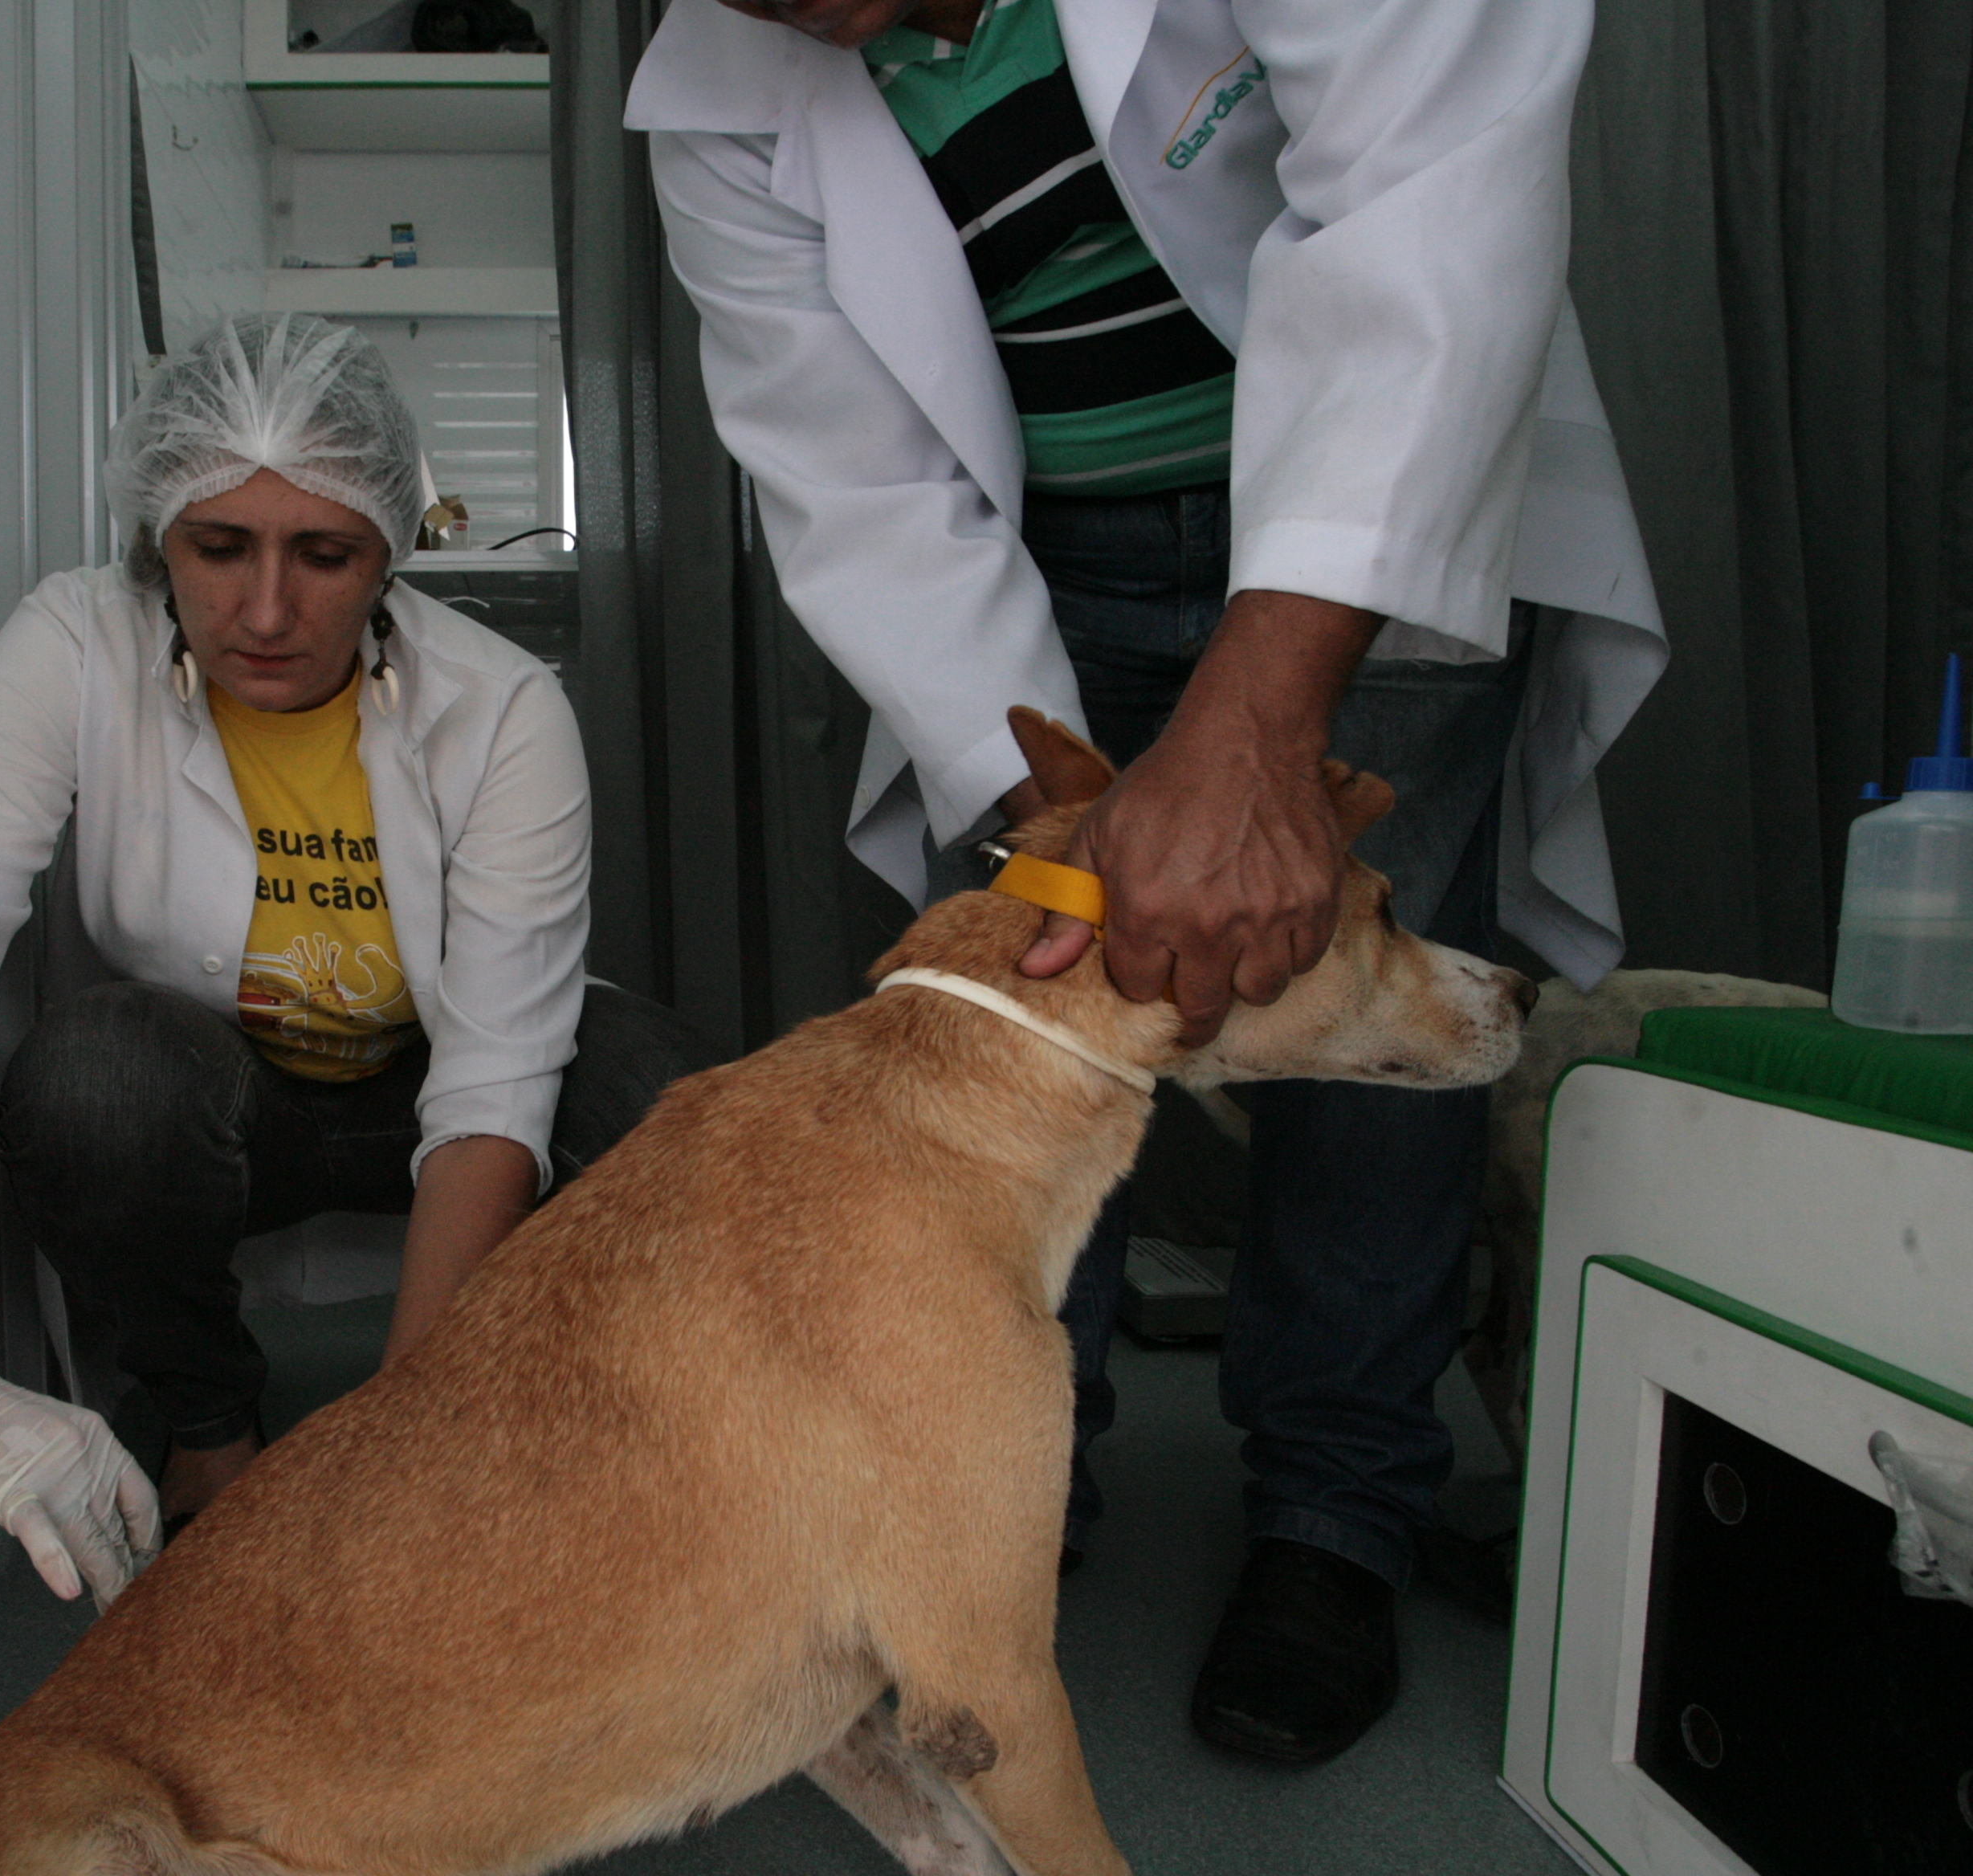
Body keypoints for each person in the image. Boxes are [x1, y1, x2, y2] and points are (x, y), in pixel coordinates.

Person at [626, 0, 1669, 1760]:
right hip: (1052, 558)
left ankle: (1335, 1520)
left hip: (1371, 510)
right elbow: (867, 496)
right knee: (1044, 1017)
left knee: (1368, 1041)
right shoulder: (719, 103)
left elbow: (1432, 173)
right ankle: (988, 1500)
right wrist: (1075, 828)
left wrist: (1266, 717)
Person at [0, 314, 706, 1605]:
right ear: (155, 535)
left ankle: (543, 1454)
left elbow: (497, 1081)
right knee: (92, 1080)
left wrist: (395, 1458)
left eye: (327, 554)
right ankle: (205, 1430)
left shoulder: (507, 707)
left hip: (434, 1077)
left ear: (394, 551)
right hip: (219, 1095)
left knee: (669, 1101)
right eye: (218, 547)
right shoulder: (76, 642)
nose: (268, 610)